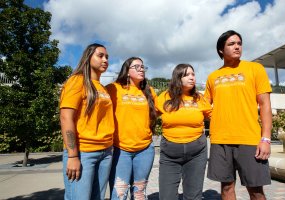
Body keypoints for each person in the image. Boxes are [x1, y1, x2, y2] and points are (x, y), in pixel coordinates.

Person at [204, 30, 272, 200]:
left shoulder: (255, 68)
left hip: (249, 139)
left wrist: (266, 139)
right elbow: (205, 106)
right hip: (220, 140)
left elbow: (265, 105)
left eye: (239, 43)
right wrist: (217, 117)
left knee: (256, 190)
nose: (237, 47)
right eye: (231, 44)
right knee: (226, 188)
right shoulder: (213, 77)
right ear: (221, 49)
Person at [59, 43, 114, 200]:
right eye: (100, 55)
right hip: (84, 153)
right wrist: (72, 156)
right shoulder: (77, 81)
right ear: (88, 58)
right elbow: (66, 117)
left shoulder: (103, 88)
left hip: (106, 152)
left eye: (107, 57)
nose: (105, 59)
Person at [156, 64, 212, 200]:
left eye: (193, 74)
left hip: (197, 153)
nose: (192, 77)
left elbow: (213, 117)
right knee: (166, 196)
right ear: (177, 77)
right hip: (170, 153)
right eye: (187, 75)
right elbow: (149, 117)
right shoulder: (164, 97)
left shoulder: (200, 98)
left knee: (193, 196)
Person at [106, 57, 157, 200]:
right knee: (119, 194)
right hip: (121, 150)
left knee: (140, 193)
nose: (141, 69)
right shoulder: (113, 89)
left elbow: (161, 111)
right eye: (137, 66)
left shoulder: (149, 91)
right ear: (127, 71)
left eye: (143, 67)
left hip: (145, 150)